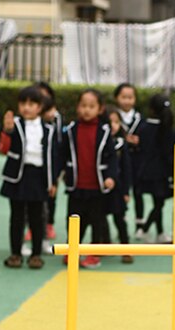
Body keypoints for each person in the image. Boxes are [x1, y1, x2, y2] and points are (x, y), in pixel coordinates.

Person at [0, 84, 56, 270]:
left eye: (32, 103)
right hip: (18, 175)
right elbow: (3, 149)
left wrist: (53, 180)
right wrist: (7, 131)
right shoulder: (14, 125)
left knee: (37, 217)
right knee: (16, 216)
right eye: (23, 103)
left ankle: (36, 254)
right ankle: (15, 253)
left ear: (40, 107)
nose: (26, 107)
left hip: (38, 176)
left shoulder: (49, 129)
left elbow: (53, 156)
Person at [60, 88, 117, 269]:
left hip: (97, 186)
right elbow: (61, 154)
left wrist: (110, 177)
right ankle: (72, 251)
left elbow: (112, 157)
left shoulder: (105, 131)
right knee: (73, 220)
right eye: (83, 105)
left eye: (91, 106)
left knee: (97, 221)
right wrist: (57, 175)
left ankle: (94, 253)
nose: (87, 110)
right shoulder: (70, 130)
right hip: (76, 186)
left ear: (100, 109)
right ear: (78, 107)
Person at [135, 93, 175, 243]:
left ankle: (159, 233)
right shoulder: (166, 129)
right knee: (159, 203)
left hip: (145, 170)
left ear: (151, 109)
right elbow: (167, 153)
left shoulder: (144, 126)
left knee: (158, 202)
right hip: (160, 172)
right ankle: (144, 229)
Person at [113, 83, 145, 238]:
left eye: (130, 97)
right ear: (117, 98)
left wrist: (139, 141)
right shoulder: (113, 118)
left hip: (137, 161)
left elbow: (146, 139)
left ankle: (140, 225)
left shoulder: (140, 118)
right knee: (121, 192)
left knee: (138, 193)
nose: (127, 101)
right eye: (123, 97)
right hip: (120, 163)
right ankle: (122, 222)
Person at [105, 104, 134, 264]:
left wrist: (126, 191)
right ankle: (104, 244)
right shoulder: (100, 142)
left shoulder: (122, 144)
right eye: (110, 123)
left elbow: (127, 169)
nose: (113, 126)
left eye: (116, 122)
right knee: (101, 219)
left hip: (118, 188)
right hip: (102, 187)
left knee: (119, 219)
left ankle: (125, 248)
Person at [37, 81, 64, 240]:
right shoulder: (31, 118)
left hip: (53, 164)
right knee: (33, 199)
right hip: (35, 166)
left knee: (51, 195)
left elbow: (60, 141)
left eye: (45, 95)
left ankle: (49, 224)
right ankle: (33, 227)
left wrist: (61, 167)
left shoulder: (57, 118)